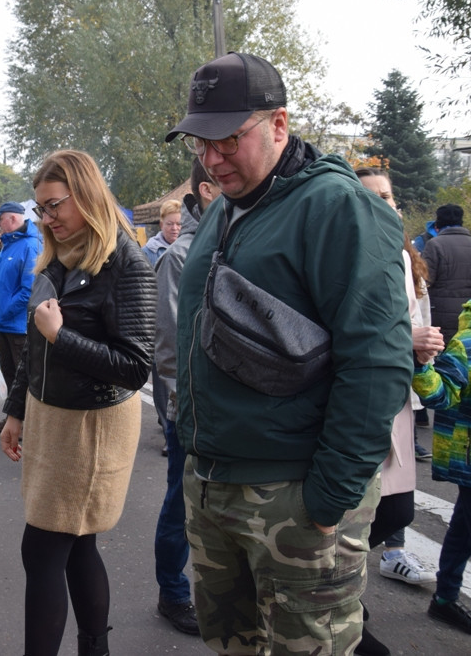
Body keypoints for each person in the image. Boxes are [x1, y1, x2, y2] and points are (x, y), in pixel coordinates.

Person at [166, 52, 412, 655]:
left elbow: (378, 362)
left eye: (228, 139)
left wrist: (329, 499)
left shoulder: (337, 206)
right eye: (199, 142)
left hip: (293, 492)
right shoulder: (227, 206)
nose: (212, 157)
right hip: (213, 486)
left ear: (279, 124)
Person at [0, 150, 155, 656]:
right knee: (76, 542)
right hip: (51, 416)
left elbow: (135, 366)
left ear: (86, 195)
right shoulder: (54, 258)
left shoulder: (126, 262)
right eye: (41, 208)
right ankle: (96, 649)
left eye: (54, 206)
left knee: (42, 547)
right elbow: (35, 345)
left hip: (93, 424)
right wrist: (16, 411)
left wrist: (62, 337)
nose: (47, 219)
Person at [355, 167, 444, 656]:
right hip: (365, 402)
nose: (384, 204)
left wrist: (426, 349)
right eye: (372, 197)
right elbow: (339, 332)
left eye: (388, 196)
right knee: (371, 512)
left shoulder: (408, 258)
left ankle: (339, 594)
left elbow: (416, 322)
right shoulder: (351, 255)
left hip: (401, 401)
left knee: (397, 510)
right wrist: (404, 341)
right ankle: (341, 601)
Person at [151, 157, 218, 636]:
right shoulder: (181, 255)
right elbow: (169, 344)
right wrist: (179, 405)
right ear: (209, 191)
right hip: (192, 408)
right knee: (182, 499)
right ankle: (173, 592)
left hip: (239, 412)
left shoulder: (245, 238)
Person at [411, 265, 471, 640]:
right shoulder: (468, 344)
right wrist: (421, 364)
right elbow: (441, 395)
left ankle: (444, 600)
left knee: (463, 530)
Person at [0, 201, 42, 434]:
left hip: (19, 326)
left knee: (23, 377)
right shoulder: (10, 245)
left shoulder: (29, 245)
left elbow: (29, 290)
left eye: (0, 219)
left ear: (12, 219)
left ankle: (29, 426)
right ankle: (14, 419)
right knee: (11, 374)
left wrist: (4, 312)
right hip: (6, 324)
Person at [423, 204, 471, 344]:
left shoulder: (434, 245)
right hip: (470, 314)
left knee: (443, 358)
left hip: (440, 315)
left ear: (438, 223)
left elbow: (425, 280)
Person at [142, 199, 181, 266]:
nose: (174, 228)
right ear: (161, 225)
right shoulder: (147, 252)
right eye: (169, 224)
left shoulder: (192, 249)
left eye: (179, 224)